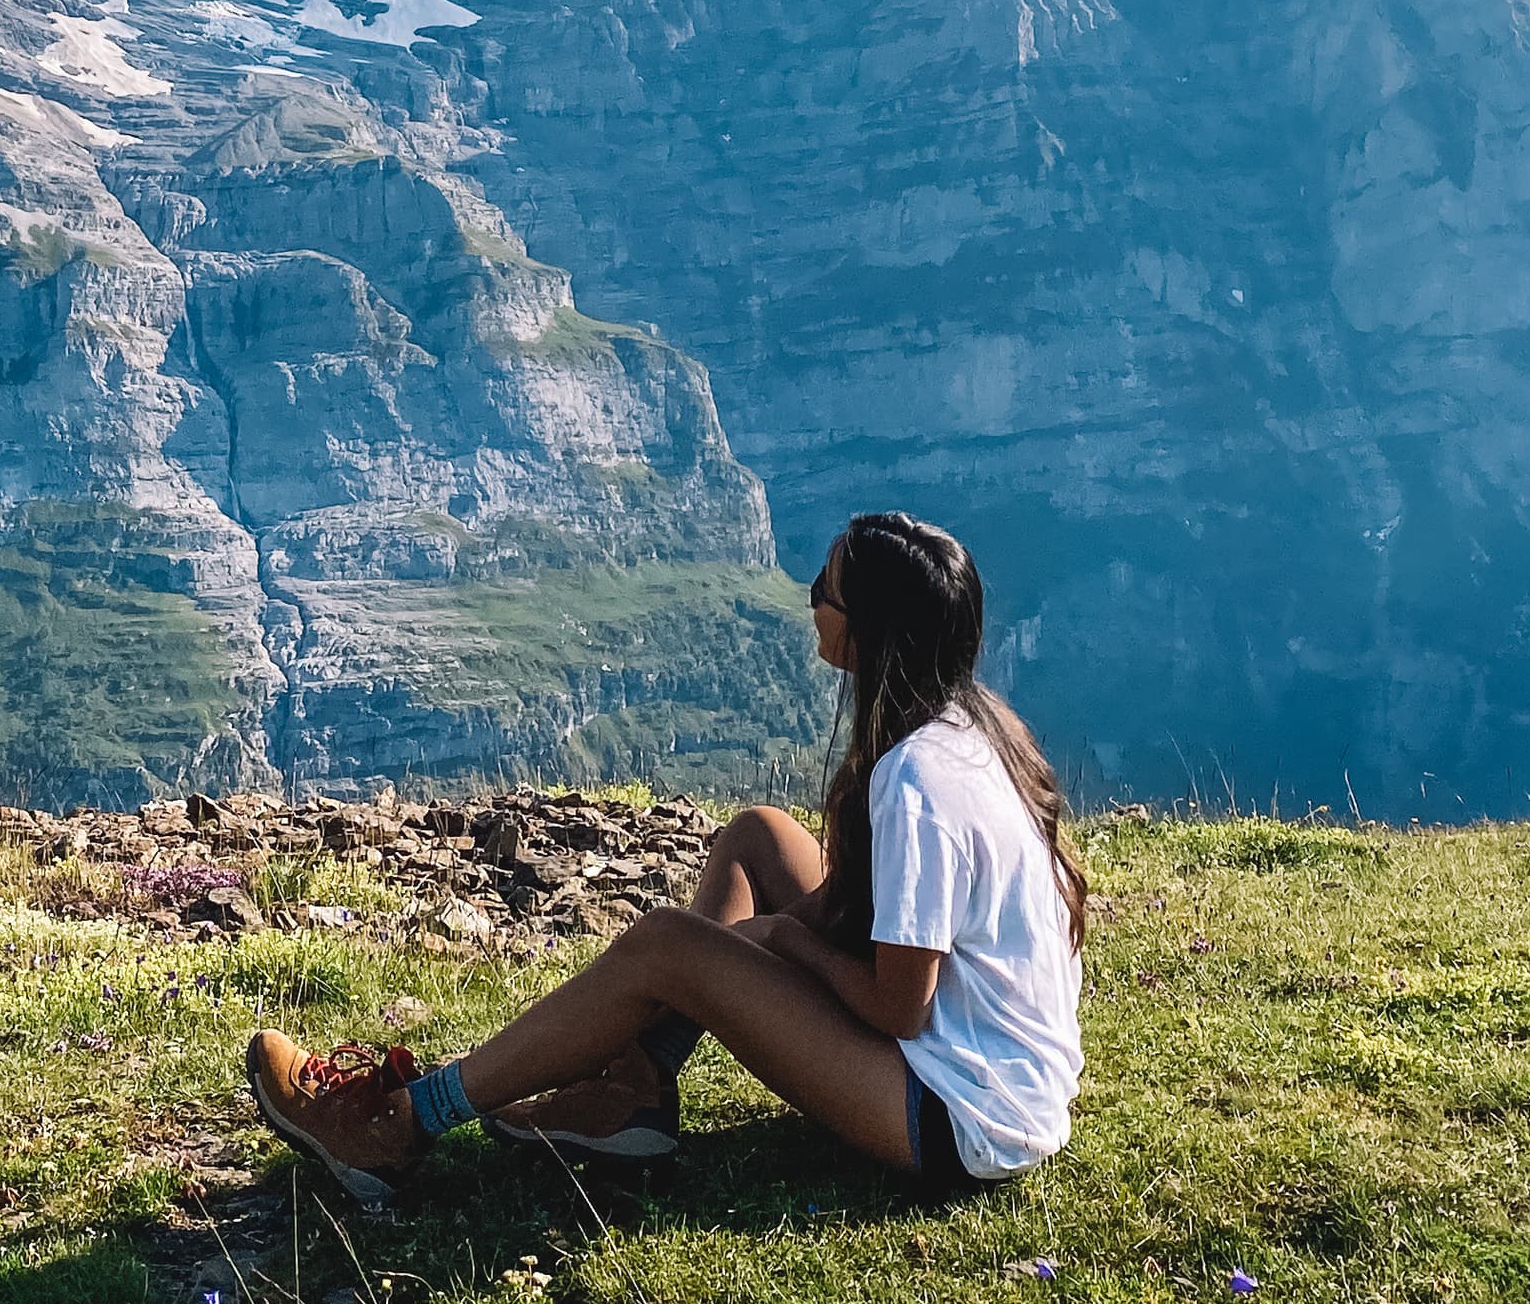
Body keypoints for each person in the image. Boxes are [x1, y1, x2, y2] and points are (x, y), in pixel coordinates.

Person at [242, 511, 1087, 1200]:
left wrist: (784, 943)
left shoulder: (916, 781)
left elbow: (899, 1008)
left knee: (665, 948)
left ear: (866, 628)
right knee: (759, 834)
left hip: (960, 1118)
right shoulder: (975, 729)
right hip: (998, 1081)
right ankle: (631, 1093)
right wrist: (778, 941)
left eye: (826, 588)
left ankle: (401, 1123)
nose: (811, 598)